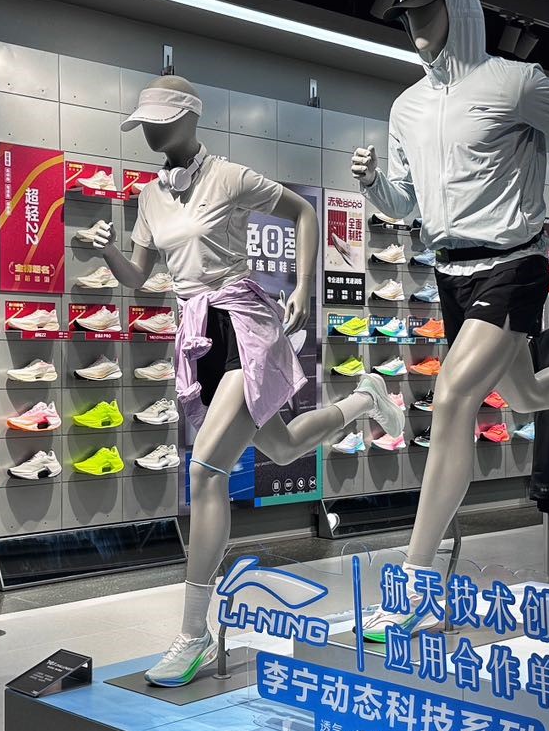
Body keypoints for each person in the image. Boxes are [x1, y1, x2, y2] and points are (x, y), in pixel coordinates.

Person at [78, 75, 403, 685]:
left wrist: (303, 285)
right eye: (144, 122)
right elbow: (140, 276)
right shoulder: (148, 197)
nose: (149, 131)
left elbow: (304, 212)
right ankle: (366, 398)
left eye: (158, 120)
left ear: (189, 118)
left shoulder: (229, 176)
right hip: (196, 334)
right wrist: (105, 252)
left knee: (205, 471)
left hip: (243, 325)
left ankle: (193, 634)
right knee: (281, 445)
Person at [351, 0, 549, 634]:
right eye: (407, 16)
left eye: (427, 11)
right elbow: (404, 203)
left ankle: (416, 587)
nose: (416, 28)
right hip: (449, 271)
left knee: (451, 398)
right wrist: (372, 185)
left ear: (458, 8)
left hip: (514, 263)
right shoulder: (406, 106)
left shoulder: (515, 82)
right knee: (525, 394)